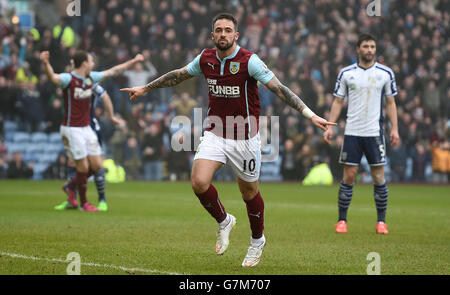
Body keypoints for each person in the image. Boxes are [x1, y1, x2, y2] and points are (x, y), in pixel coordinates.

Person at [121, 13, 334, 267]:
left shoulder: (249, 61)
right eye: (219, 30)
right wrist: (146, 88)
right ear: (213, 35)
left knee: (249, 193)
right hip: (215, 132)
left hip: (245, 137)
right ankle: (224, 221)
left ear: (236, 35)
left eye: (228, 30)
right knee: (199, 182)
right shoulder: (205, 59)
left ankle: (257, 240)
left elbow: (280, 89)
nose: (223, 34)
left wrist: (309, 114)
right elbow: (178, 74)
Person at [40, 49, 143, 212]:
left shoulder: (91, 78)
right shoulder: (69, 79)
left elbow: (114, 71)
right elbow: (53, 78)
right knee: (82, 167)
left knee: (97, 165)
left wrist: (133, 61)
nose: (94, 64)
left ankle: (70, 186)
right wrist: (46, 64)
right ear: (85, 64)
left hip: (86, 127)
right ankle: (84, 203)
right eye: (91, 61)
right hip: (71, 129)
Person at [324, 33, 400, 235]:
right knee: (349, 175)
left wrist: (395, 129)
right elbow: (338, 101)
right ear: (358, 49)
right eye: (365, 46)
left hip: (374, 132)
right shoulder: (346, 73)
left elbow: (391, 103)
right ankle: (342, 221)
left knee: (378, 176)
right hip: (352, 132)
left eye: (372, 47)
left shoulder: (386, 73)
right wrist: (330, 127)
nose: (369, 50)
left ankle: (381, 222)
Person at [54, 82, 122, 212]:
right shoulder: (68, 82)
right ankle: (72, 200)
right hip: (73, 128)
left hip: (90, 127)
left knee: (96, 165)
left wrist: (111, 116)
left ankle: (101, 199)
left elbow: (104, 94)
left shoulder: (91, 82)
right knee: (73, 163)